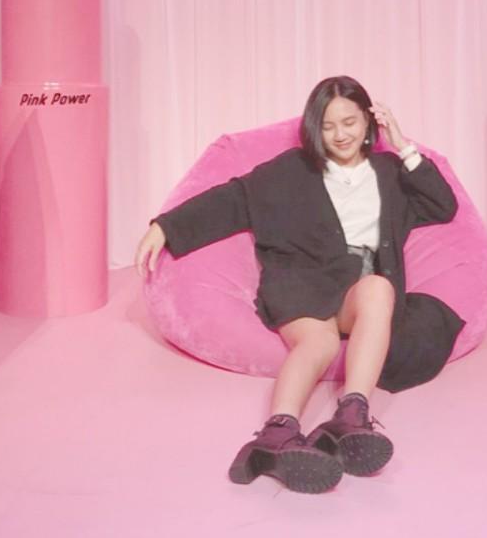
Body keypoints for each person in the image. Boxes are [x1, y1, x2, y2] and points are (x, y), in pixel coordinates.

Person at [135, 76, 463, 494]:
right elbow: (234, 199)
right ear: (314, 128)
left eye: (349, 122)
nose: (340, 135)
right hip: (301, 278)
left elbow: (443, 205)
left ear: (368, 121)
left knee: (380, 289)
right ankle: (277, 435)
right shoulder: (291, 170)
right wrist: (166, 227)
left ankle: (351, 417)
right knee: (318, 344)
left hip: (355, 285)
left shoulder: (389, 172)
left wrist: (403, 145)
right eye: (328, 126)